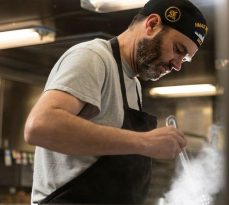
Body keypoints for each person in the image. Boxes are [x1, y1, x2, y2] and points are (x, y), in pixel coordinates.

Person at [24, 0, 208, 204]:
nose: (177, 65)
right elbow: (40, 126)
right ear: (152, 24)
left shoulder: (133, 85)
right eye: (178, 50)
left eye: (185, 59)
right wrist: (145, 142)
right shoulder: (93, 57)